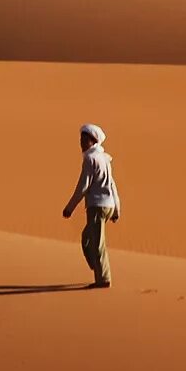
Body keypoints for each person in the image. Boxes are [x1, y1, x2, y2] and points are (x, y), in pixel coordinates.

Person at [61, 123, 121, 288]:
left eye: (84, 139)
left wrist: (70, 207)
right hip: (107, 206)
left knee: (97, 243)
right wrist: (116, 209)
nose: (81, 142)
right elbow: (112, 185)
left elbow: (83, 186)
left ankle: (103, 279)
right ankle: (97, 265)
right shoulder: (104, 159)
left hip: (97, 206)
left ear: (93, 140)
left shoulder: (90, 159)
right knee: (87, 239)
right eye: (81, 139)